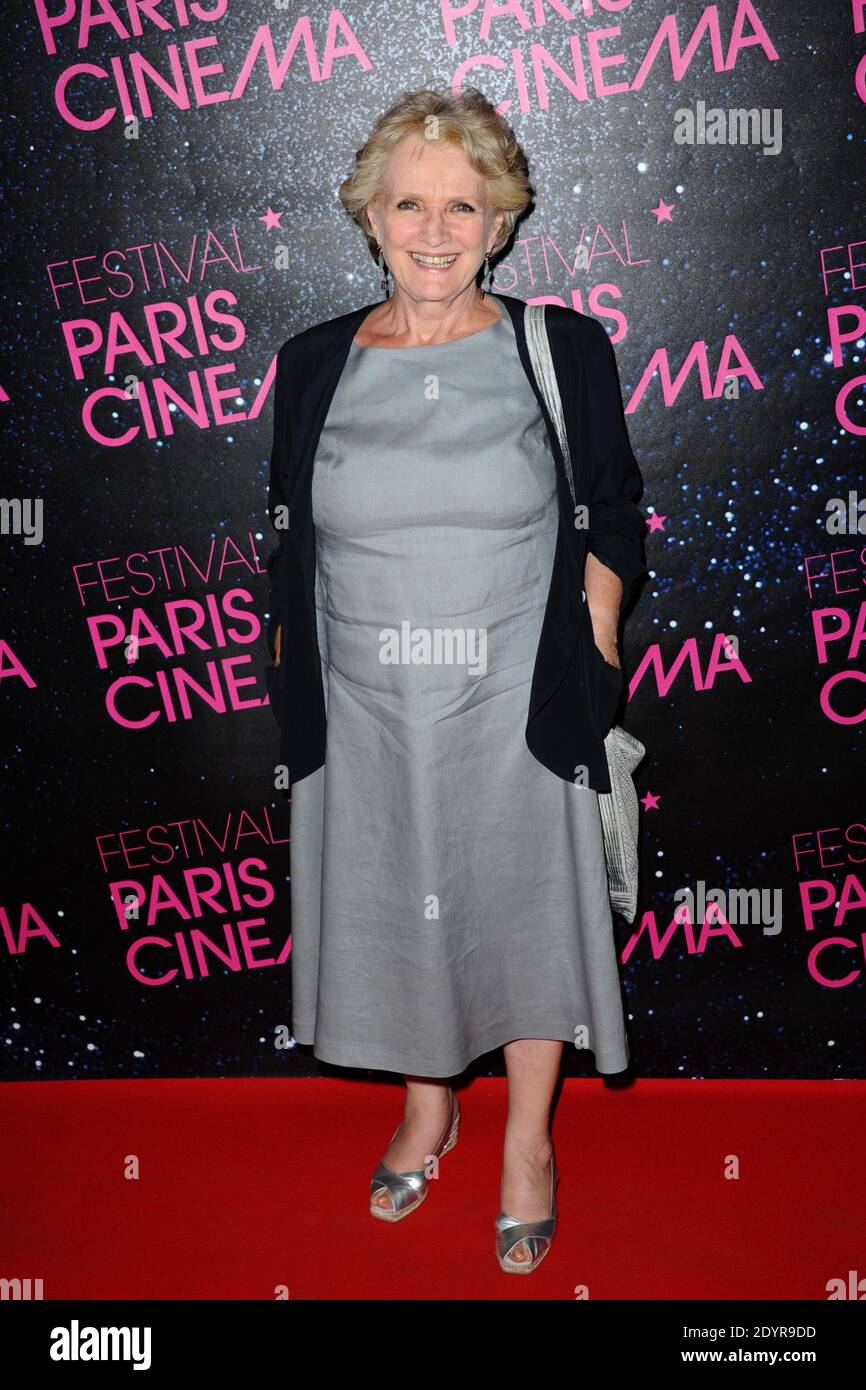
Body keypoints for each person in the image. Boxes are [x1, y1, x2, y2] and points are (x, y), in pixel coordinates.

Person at [263, 87, 647, 1273]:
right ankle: (429, 1106)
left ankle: (527, 1138)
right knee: (399, 908)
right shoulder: (314, 360)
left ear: (500, 223)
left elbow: (614, 508)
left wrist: (591, 634)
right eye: (409, 204)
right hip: (368, 710)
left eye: (462, 207)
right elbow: (287, 534)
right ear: (370, 218)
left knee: (525, 917)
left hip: (513, 703)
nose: (435, 230)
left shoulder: (558, 347)